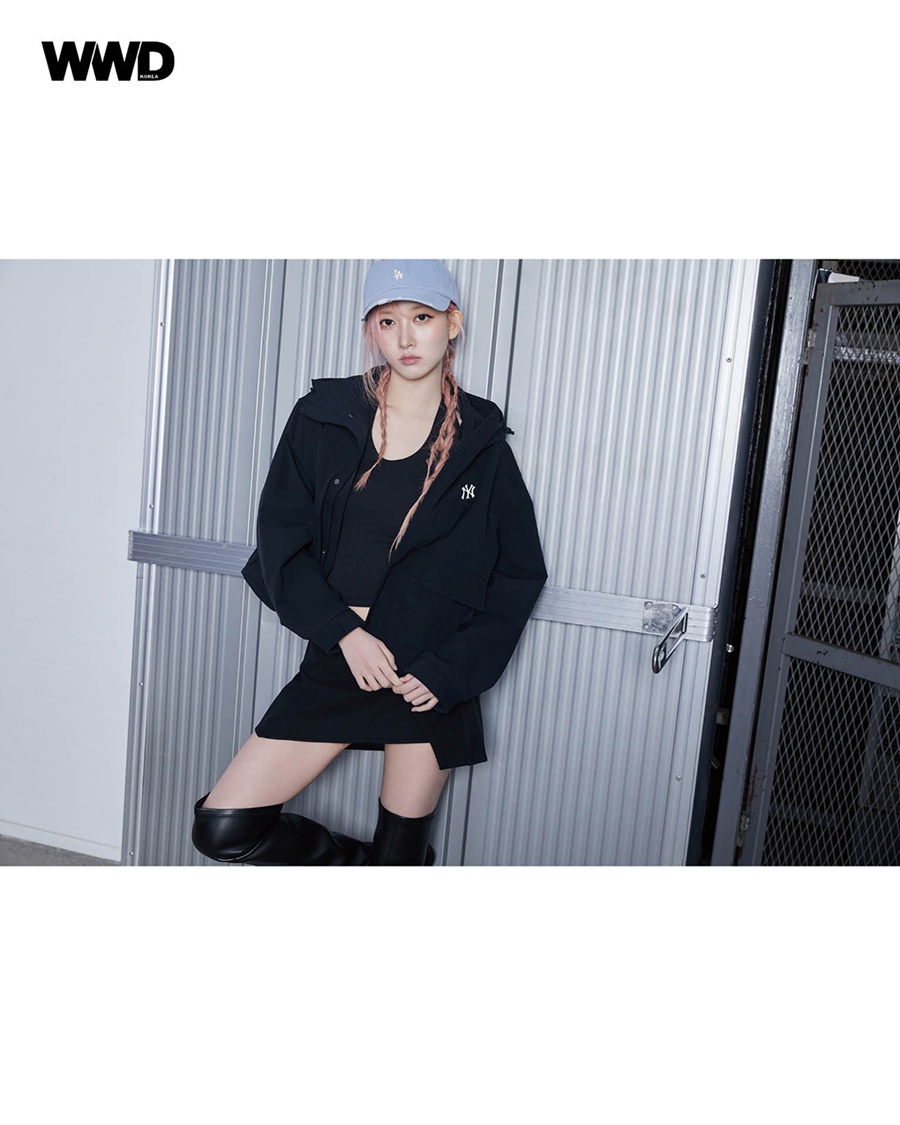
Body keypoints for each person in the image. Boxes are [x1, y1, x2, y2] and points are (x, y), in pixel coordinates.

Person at [191, 260, 547, 865]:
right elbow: (281, 543)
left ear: (452, 324)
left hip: (426, 679)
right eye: (388, 321)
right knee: (223, 830)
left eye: (422, 318)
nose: (405, 338)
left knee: (398, 859)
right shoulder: (322, 418)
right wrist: (344, 635)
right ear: (371, 330)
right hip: (344, 659)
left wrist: (450, 673)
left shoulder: (481, 445)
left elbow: (519, 575)